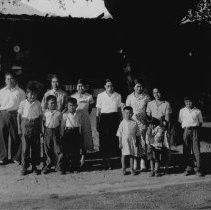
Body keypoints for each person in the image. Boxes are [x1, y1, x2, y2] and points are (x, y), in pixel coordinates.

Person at [17, 81, 43, 175]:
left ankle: (35, 166)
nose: (32, 96)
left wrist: (40, 129)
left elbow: (40, 117)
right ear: (27, 94)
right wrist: (19, 128)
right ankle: (24, 166)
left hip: (35, 126)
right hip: (25, 125)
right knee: (25, 148)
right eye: (30, 94)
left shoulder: (38, 103)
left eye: (35, 94)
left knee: (35, 147)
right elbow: (19, 116)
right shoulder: (23, 103)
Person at [0, 72, 25, 164]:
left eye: (11, 79)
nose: (9, 81)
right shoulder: (1, 92)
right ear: (5, 80)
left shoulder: (20, 92)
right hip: (3, 114)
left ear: (14, 80)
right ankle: (3, 157)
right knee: (2, 135)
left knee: (15, 135)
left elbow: (23, 106)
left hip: (15, 114)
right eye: (8, 79)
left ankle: (16, 157)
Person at [96, 79, 122, 169]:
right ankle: (104, 161)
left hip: (114, 119)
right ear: (105, 86)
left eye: (111, 86)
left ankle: (112, 161)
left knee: (113, 140)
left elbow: (119, 111)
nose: (110, 87)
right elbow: (98, 111)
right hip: (104, 119)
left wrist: (120, 122)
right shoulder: (100, 96)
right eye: (108, 86)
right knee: (103, 141)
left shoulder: (118, 95)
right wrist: (97, 123)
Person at [126, 78, 150, 172]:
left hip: (143, 122)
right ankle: (135, 162)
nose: (139, 88)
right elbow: (127, 109)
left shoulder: (146, 97)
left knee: (143, 142)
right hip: (133, 122)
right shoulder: (130, 97)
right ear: (134, 87)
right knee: (134, 142)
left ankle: (143, 163)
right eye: (137, 86)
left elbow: (149, 110)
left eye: (141, 86)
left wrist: (145, 115)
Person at [146, 88, 172, 173]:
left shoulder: (166, 103)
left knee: (163, 148)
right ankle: (153, 169)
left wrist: (163, 124)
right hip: (152, 128)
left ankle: (165, 167)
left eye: (158, 92)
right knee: (151, 148)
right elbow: (148, 117)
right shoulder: (150, 104)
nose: (156, 94)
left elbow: (167, 118)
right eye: (154, 93)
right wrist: (151, 122)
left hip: (162, 127)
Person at [178, 96, 203, 177]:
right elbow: (180, 121)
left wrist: (195, 130)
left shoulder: (197, 111)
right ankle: (188, 168)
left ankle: (198, 169)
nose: (188, 103)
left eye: (190, 101)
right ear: (184, 102)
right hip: (186, 130)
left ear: (193, 102)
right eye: (186, 102)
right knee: (186, 150)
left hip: (195, 130)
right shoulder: (182, 111)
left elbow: (200, 122)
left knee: (196, 150)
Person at [71, 79, 94, 156]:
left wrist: (85, 114)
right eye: (79, 86)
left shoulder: (89, 96)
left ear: (85, 87)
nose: (80, 88)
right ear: (76, 87)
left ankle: (84, 155)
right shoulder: (73, 96)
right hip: (76, 119)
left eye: (82, 86)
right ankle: (76, 154)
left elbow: (90, 108)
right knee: (77, 136)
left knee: (85, 136)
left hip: (85, 119)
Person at [60, 97, 83, 174]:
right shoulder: (65, 115)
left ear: (76, 106)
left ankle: (75, 167)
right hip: (68, 133)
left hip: (76, 132)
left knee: (76, 151)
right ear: (67, 106)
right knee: (66, 152)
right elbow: (62, 126)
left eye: (73, 105)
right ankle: (64, 168)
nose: (72, 107)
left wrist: (80, 134)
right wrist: (62, 136)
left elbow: (80, 125)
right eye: (70, 105)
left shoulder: (79, 114)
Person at [117, 106, 141, 175]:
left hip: (132, 141)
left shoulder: (134, 123)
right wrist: (120, 143)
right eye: (126, 113)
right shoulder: (122, 123)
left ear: (132, 114)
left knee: (132, 155)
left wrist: (138, 141)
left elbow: (138, 134)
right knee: (124, 155)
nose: (128, 115)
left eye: (130, 113)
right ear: (123, 114)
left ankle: (132, 169)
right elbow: (120, 134)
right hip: (124, 141)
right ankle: (123, 169)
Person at [42, 95, 63, 174]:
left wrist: (61, 133)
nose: (53, 105)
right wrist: (43, 132)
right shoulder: (45, 113)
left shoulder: (59, 113)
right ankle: (47, 165)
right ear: (47, 104)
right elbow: (43, 123)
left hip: (56, 131)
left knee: (57, 148)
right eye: (51, 103)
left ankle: (58, 165)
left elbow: (61, 124)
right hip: (47, 131)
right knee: (47, 148)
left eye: (54, 103)